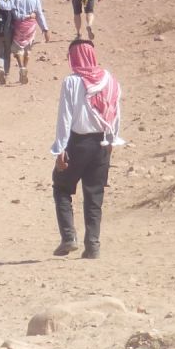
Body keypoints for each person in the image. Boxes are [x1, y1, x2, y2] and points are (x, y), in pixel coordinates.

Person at [49, 40, 124, 258]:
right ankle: (93, 245)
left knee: (61, 188)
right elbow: (115, 110)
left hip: (77, 143)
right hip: (102, 144)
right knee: (94, 195)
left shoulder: (71, 82)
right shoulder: (110, 79)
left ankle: (68, 237)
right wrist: (112, 140)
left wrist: (60, 148)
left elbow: (65, 116)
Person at [7, 0, 50, 84]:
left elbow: (10, 11)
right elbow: (39, 14)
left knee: (18, 49)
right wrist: (45, 29)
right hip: (31, 27)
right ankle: (25, 67)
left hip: (18, 26)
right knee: (28, 49)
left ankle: (22, 67)